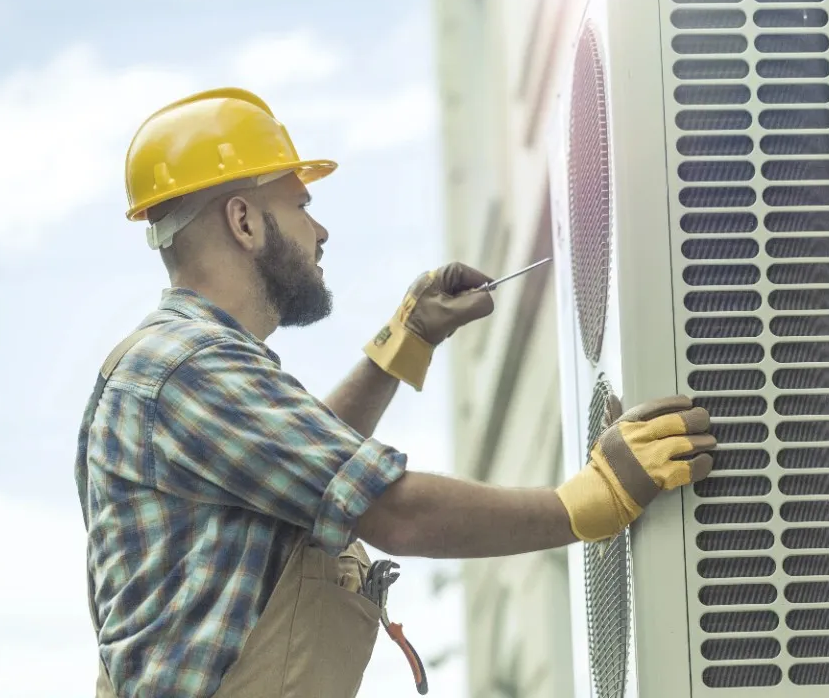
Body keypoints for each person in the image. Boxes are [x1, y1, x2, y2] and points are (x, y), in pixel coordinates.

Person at [74, 86, 717, 698]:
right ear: (243, 221)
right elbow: (393, 511)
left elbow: (313, 472)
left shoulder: (183, 367)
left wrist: (405, 341)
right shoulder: (187, 366)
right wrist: (591, 500)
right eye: (300, 206)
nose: (320, 232)